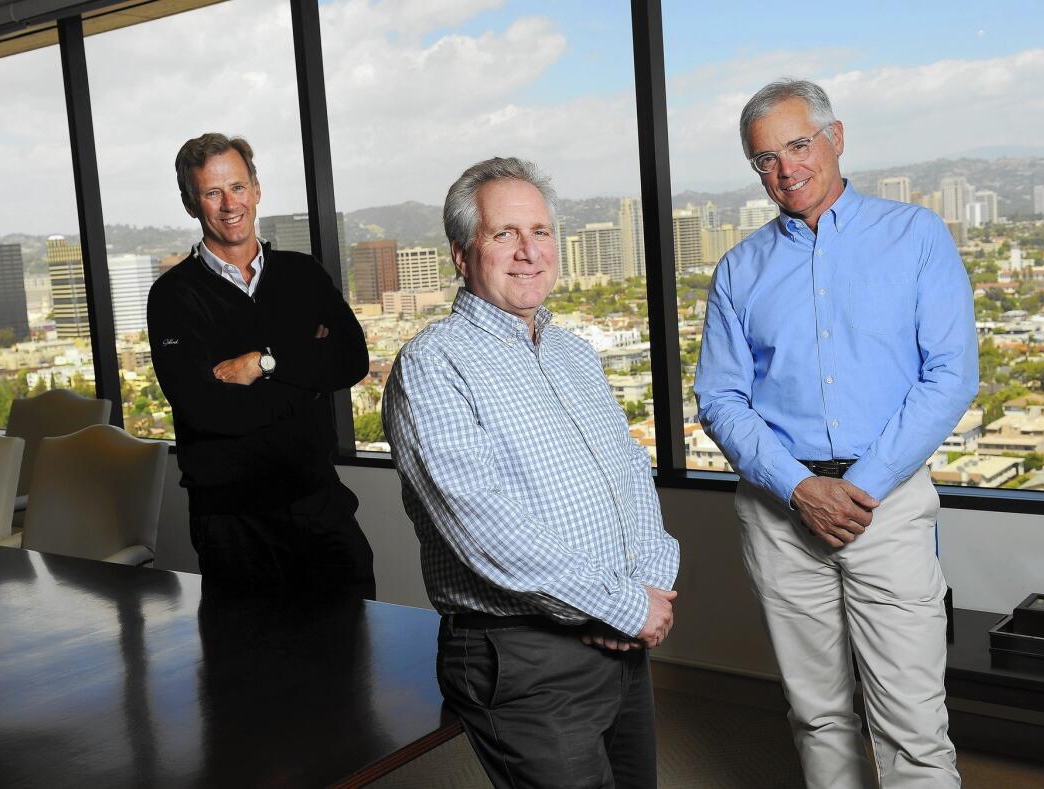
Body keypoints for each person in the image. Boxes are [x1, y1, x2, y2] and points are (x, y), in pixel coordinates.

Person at [695, 79, 977, 788]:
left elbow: (950, 377)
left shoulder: (915, 236)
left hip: (885, 502)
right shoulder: (739, 269)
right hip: (779, 510)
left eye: (799, 144)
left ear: (837, 137)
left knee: (912, 722)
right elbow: (720, 398)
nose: (786, 169)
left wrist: (858, 486)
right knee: (817, 714)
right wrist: (799, 488)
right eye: (765, 159)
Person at [383, 156, 680, 789]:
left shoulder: (573, 352)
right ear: (463, 255)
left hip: (617, 639)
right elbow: (485, 529)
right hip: (523, 654)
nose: (529, 251)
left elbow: (628, 471)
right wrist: (628, 605)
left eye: (541, 232)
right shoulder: (433, 366)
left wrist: (649, 582)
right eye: (504, 234)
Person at [148, 132, 375, 601]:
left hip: (320, 503)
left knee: (354, 662)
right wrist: (310, 377)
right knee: (249, 670)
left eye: (237, 187)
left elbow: (352, 359)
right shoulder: (172, 297)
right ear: (192, 204)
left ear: (256, 189)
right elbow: (209, 412)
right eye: (212, 192)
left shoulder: (303, 273)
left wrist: (263, 363)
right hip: (232, 525)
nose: (229, 204)